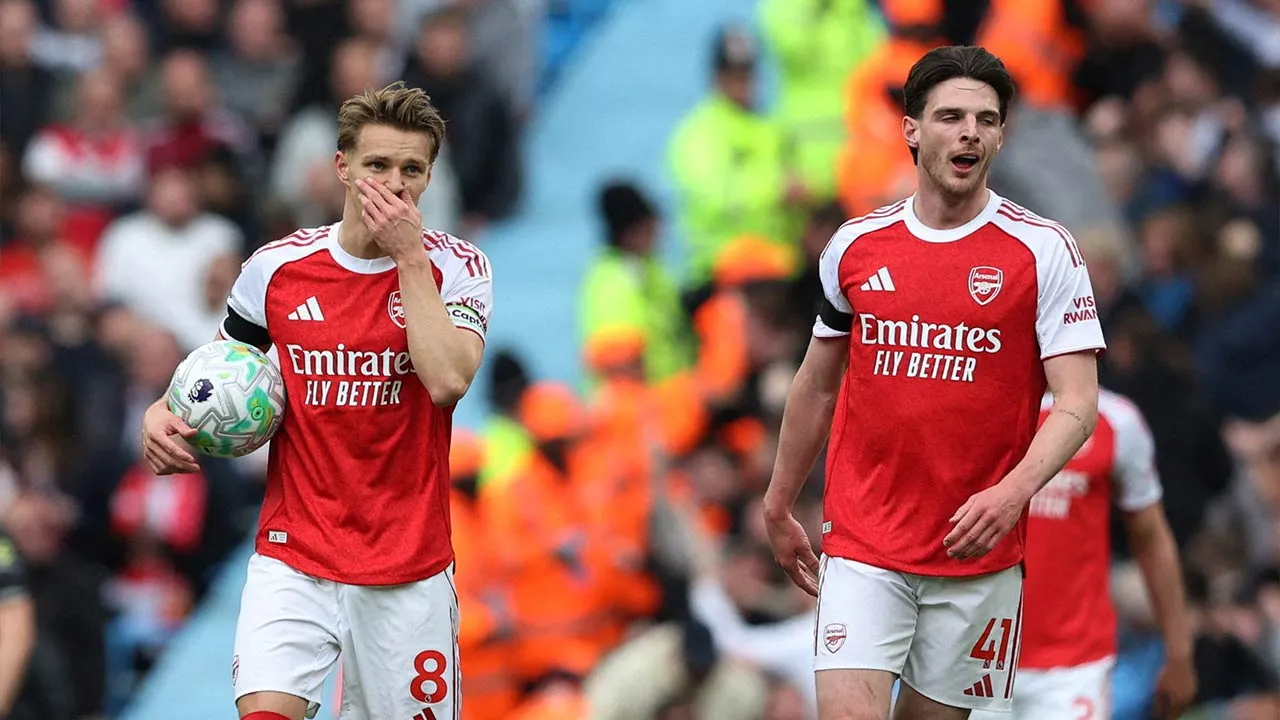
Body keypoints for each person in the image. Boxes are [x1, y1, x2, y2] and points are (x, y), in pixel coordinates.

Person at [762, 45, 1106, 719]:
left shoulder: (1043, 251)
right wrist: (779, 503)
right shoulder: (857, 247)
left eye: (985, 118)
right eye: (950, 116)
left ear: (1003, 134)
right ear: (912, 129)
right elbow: (815, 385)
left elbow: (1077, 402)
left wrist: (1012, 494)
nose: (969, 131)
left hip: (976, 555)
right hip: (864, 545)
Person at [139, 82, 493, 720]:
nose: (394, 183)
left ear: (430, 177)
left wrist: (408, 257)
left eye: (412, 169)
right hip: (294, 555)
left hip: (406, 570)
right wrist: (160, 412)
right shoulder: (275, 270)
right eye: (377, 165)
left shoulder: (457, 268)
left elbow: (446, 381)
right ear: (342, 168)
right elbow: (218, 371)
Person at [969, 389, 1196, 720]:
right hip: (974, 656)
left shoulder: (1116, 420)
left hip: (1074, 666)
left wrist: (1179, 652)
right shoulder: (978, 405)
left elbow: (1151, 537)